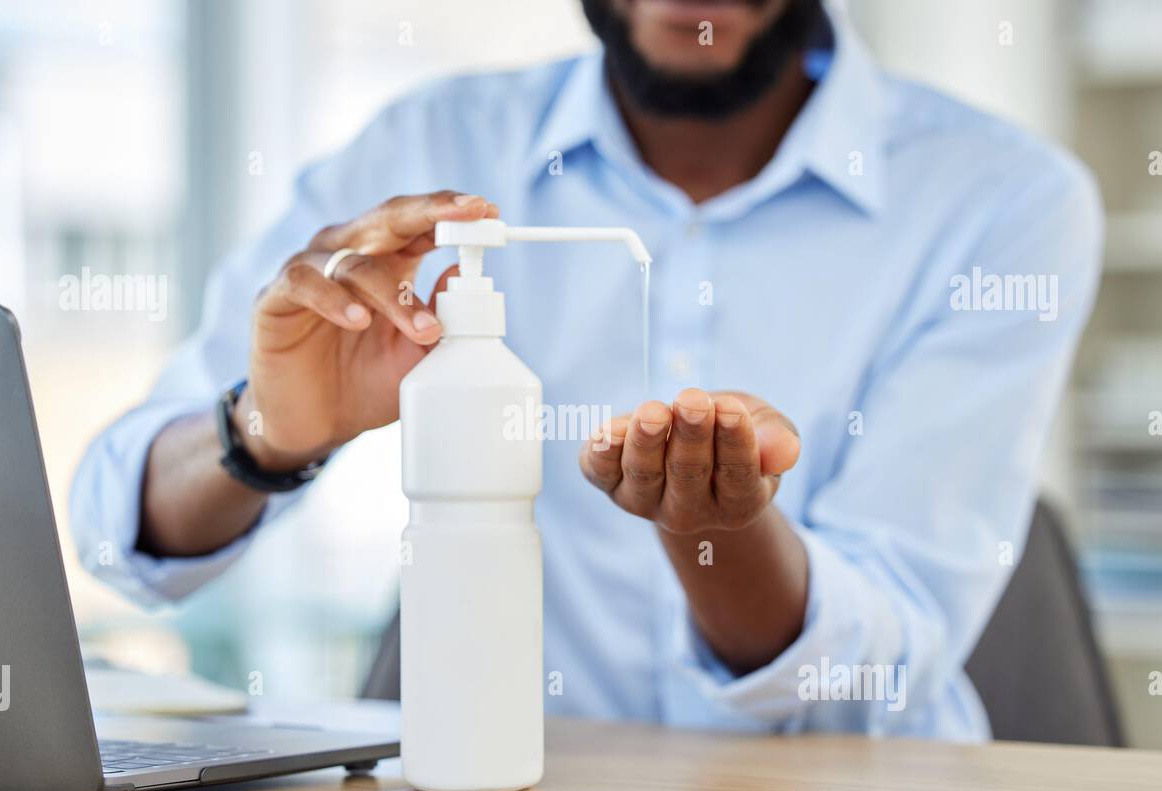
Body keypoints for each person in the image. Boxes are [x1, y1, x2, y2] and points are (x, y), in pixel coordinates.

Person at [72, 0, 1102, 738]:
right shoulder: (428, 147)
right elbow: (117, 532)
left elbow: (868, 672)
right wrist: (267, 434)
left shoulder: (1001, 202)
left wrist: (720, 537)